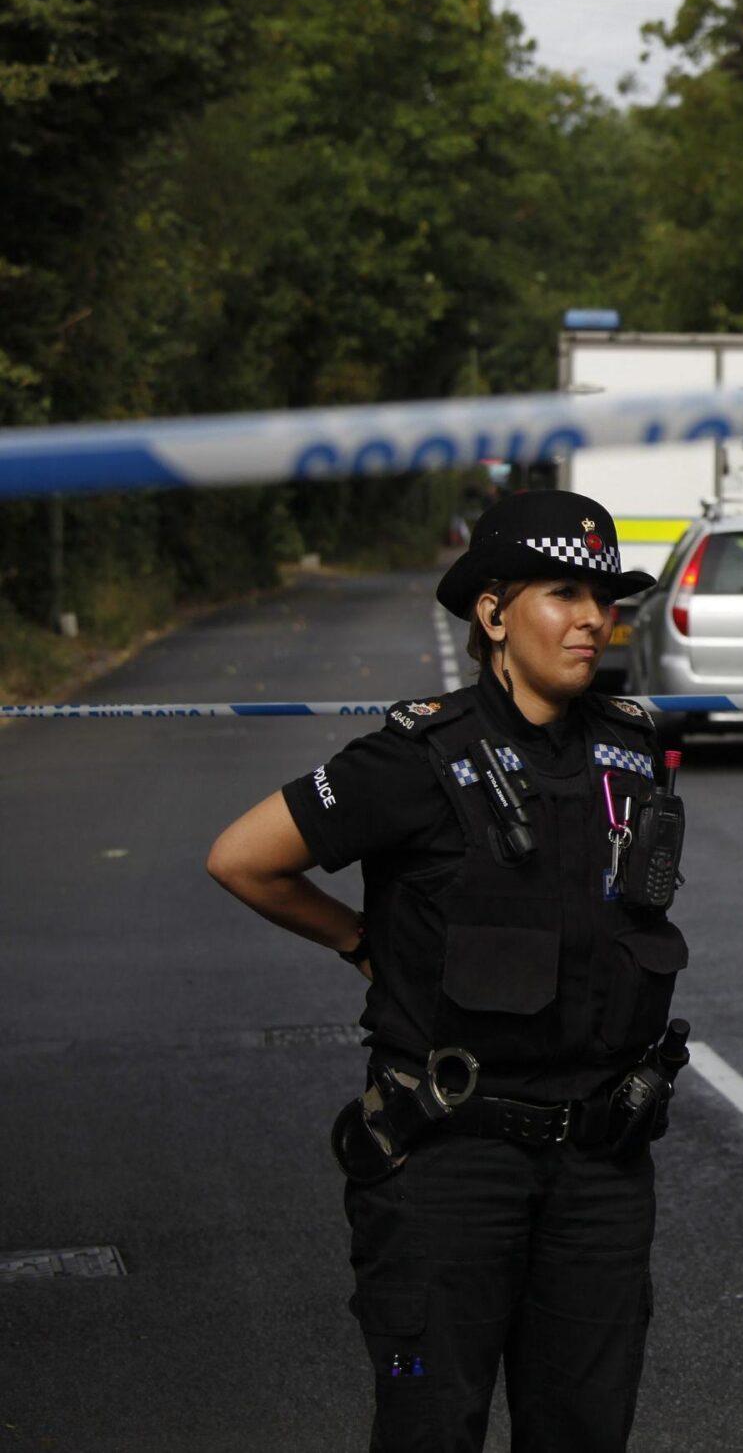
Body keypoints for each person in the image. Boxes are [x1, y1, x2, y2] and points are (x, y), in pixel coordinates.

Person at [206, 491, 690, 1453]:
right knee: (430, 1425)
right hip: (447, 1168)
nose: (594, 618)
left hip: (600, 1167)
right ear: (495, 612)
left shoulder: (631, 750)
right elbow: (242, 856)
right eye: (565, 593)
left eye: (606, 596)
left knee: (585, 1433)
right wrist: (357, 942)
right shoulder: (416, 758)